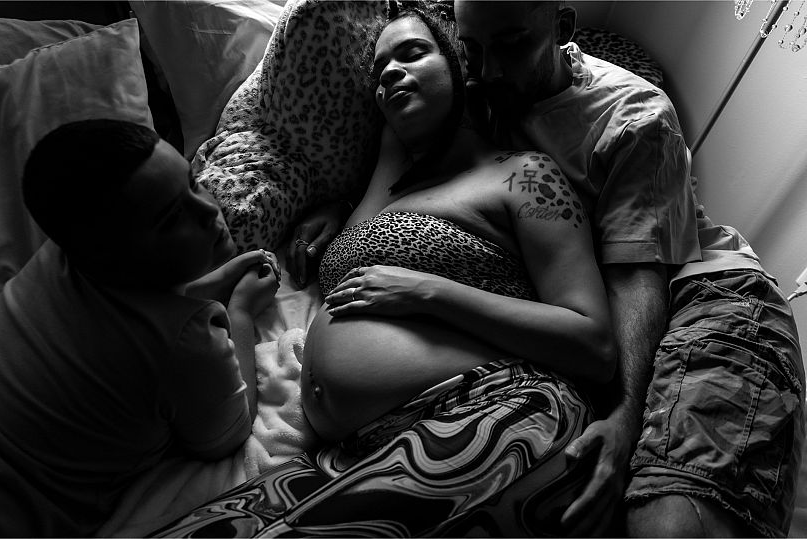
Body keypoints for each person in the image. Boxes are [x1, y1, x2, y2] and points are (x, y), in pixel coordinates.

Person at [155, 5, 615, 536]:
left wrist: (429, 292)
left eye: (413, 53)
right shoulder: (384, 183)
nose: (390, 73)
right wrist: (337, 208)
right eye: (379, 71)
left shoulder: (523, 176)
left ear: (461, 66)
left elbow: (594, 343)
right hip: (354, 446)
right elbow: (385, 187)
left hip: (497, 404)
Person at [453, 1, 805, 537]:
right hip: (613, 309)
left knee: (666, 526)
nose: (489, 70)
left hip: (708, 295)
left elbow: (638, 279)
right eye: (472, 48)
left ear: (562, 28)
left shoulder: (633, 117)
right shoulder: (478, 92)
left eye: (511, 45)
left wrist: (623, 416)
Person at [0, 119, 281, 537]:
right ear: (111, 254)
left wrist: (214, 282)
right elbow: (230, 433)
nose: (209, 210)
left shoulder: (61, 252)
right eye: (170, 219)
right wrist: (240, 309)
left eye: (192, 183)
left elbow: (128, 304)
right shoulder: (186, 342)